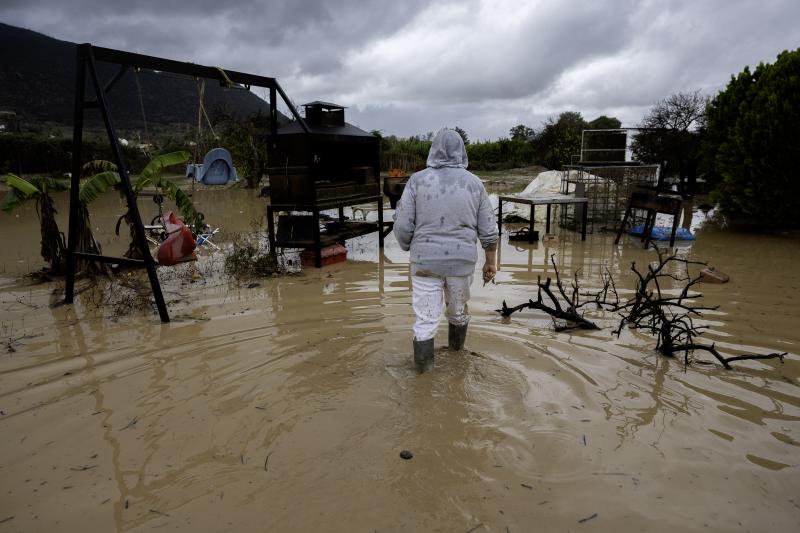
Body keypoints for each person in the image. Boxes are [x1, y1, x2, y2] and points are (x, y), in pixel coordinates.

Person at [393, 128, 499, 373]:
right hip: (461, 263)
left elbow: (402, 224)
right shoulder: (474, 184)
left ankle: (424, 378)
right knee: (458, 312)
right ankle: (456, 358)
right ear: (461, 152)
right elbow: (489, 229)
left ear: (433, 151)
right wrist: (490, 262)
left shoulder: (417, 181)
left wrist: (407, 245)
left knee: (425, 321)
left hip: (424, 263)